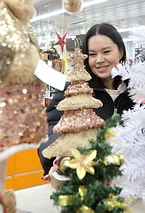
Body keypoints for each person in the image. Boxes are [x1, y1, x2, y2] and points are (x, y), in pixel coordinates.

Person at [37, 22, 135, 178]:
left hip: (135, 178)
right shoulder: (73, 89)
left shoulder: (138, 90)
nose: (99, 60)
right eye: (92, 54)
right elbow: (50, 128)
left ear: (121, 51)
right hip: (88, 178)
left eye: (106, 51)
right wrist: (62, 154)